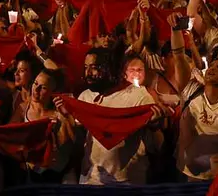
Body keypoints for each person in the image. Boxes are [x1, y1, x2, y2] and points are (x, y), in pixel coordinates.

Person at [68, 47, 158, 185]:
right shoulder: (85, 96)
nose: (88, 73)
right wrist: (67, 117)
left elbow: (155, 146)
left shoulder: (139, 96)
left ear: (109, 69)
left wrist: (156, 125)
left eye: (94, 67)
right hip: (91, 179)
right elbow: (79, 139)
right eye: (86, 67)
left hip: (126, 182)